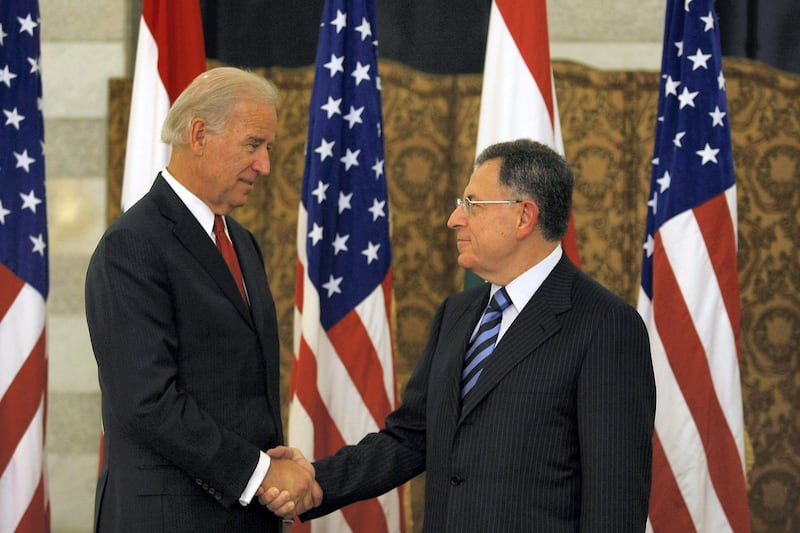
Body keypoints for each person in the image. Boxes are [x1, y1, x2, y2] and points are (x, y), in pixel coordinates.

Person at [264, 138, 656, 531]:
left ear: (524, 217)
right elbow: (411, 437)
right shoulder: (457, 313)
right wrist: (316, 480)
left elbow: (614, 503)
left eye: (472, 204)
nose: (455, 219)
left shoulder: (605, 325)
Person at [85, 67, 320, 533]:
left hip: (243, 516)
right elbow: (148, 402)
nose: (265, 166)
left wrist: (269, 465)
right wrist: (260, 474)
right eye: (254, 145)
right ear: (198, 135)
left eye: (268, 149)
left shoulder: (242, 242)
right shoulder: (132, 246)